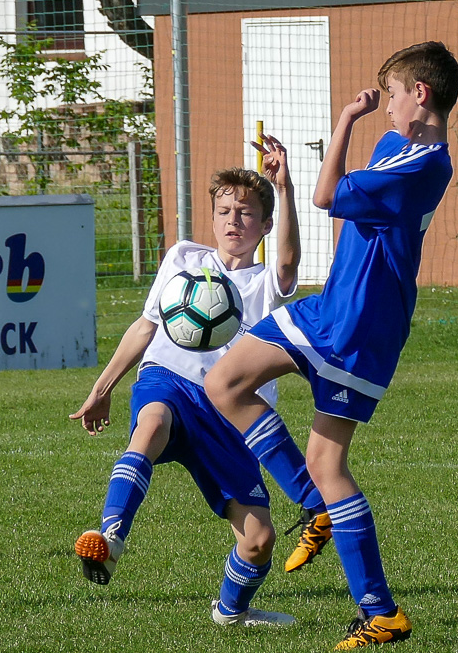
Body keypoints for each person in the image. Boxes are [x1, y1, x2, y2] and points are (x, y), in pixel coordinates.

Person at [206, 41, 458, 650]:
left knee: (330, 463)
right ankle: (314, 507)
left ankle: (381, 614)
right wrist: (294, 175)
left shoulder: (427, 165)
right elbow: (330, 191)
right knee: (225, 382)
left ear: (419, 94)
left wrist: (346, 119)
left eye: (395, 95)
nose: (390, 107)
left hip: (364, 326)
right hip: (331, 308)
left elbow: (328, 198)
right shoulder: (395, 144)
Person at [69, 158, 325, 627]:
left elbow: (288, 263)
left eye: (246, 213)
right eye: (224, 211)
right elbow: (146, 326)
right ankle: (111, 540)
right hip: (169, 380)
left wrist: (285, 188)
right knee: (152, 424)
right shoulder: (184, 258)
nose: (233, 220)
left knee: (259, 539)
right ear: (211, 218)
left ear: (265, 225)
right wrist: (102, 387)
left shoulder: (265, 282)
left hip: (233, 416)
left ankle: (232, 611)